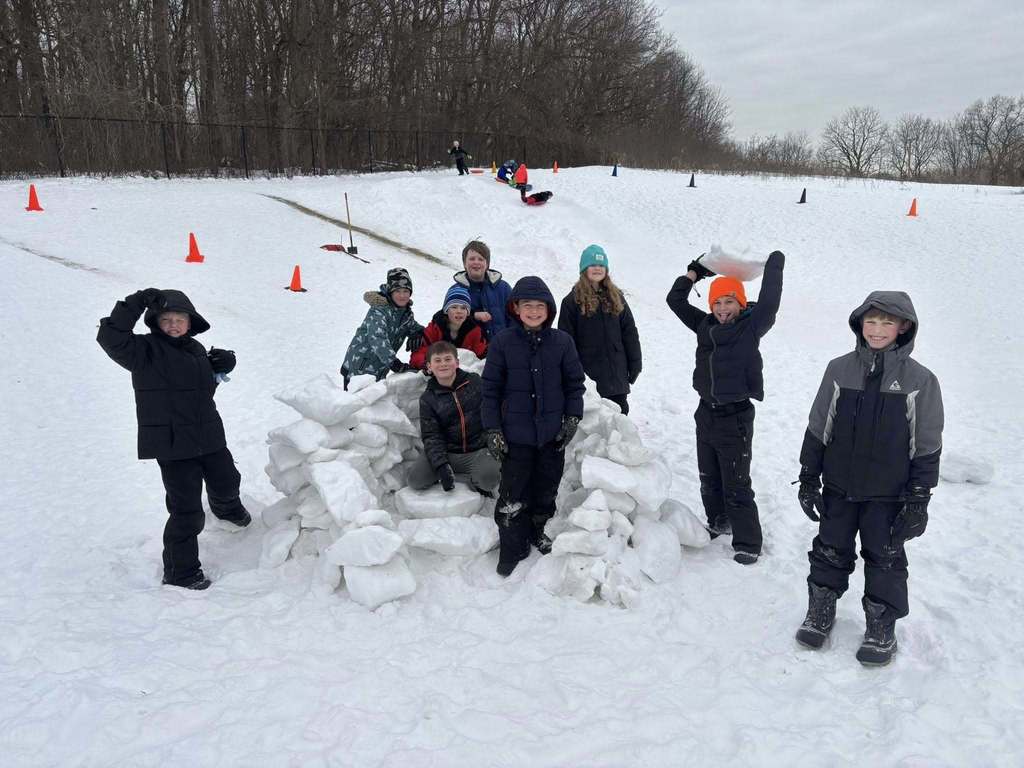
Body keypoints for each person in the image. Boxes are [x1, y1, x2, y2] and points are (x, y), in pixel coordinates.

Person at [794, 292, 943, 666]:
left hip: (888, 495)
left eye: (887, 322)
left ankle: (881, 627)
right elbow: (818, 426)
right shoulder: (839, 370)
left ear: (904, 327)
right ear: (860, 324)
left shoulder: (920, 380)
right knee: (829, 549)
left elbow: (925, 443)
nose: (877, 330)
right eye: (871, 321)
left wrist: (919, 497)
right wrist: (810, 475)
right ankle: (820, 611)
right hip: (840, 488)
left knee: (886, 559)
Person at [97, 288, 250, 591]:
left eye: (180, 319)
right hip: (172, 444)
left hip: (208, 435)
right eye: (166, 319)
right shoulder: (143, 350)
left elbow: (203, 391)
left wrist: (222, 364)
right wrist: (138, 301)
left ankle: (226, 509)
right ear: (155, 323)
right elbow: (110, 336)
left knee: (228, 480)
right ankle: (180, 572)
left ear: (190, 322)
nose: (173, 325)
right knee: (186, 510)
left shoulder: (195, 350)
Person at [666, 250, 785, 565]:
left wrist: (775, 263)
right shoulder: (704, 326)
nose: (722, 309)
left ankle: (748, 541)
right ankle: (719, 520)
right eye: (717, 302)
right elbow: (674, 301)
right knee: (709, 473)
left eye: (729, 302)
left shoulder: (751, 326)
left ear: (741, 303)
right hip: (705, 411)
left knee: (736, 480)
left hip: (735, 417)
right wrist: (693, 273)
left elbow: (771, 301)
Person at [481, 276, 586, 576]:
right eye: (527, 305)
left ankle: (538, 531)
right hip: (516, 437)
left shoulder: (562, 342)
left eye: (540, 306)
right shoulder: (502, 342)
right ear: (516, 308)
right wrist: (493, 430)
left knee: (545, 490)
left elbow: (574, 385)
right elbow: (490, 390)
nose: (534, 311)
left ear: (549, 310)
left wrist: (572, 418)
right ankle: (512, 546)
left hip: (552, 437)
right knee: (513, 494)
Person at [408, 341, 501, 495]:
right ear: (429, 367)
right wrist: (441, 465)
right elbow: (432, 435)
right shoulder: (428, 398)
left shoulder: (474, 382)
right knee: (415, 480)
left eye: (447, 359)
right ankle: (457, 474)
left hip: (476, 451)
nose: (443, 364)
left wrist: (494, 437)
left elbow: (493, 410)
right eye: (437, 360)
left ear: (456, 362)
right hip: (447, 452)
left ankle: (473, 476)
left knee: (488, 480)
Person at [558, 244, 641, 414]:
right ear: (584, 269)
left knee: (619, 420)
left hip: (616, 375)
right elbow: (566, 341)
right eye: (593, 265)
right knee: (594, 426)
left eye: (602, 265)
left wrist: (635, 363)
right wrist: (571, 373)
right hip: (589, 377)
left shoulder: (616, 297)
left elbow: (629, 331)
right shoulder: (571, 301)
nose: (598, 268)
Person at [340, 267, 424, 389]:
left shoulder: (405, 313)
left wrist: (418, 332)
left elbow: (413, 326)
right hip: (358, 369)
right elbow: (378, 339)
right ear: (390, 292)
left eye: (406, 291)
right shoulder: (379, 311)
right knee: (354, 406)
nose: (402, 295)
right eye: (397, 291)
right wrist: (395, 363)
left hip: (379, 370)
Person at [409, 285, 488, 369]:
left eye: (463, 308)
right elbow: (418, 354)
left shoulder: (474, 331)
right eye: (454, 307)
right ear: (446, 310)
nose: (459, 311)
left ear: (468, 312)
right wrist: (425, 364)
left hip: (461, 374)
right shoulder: (435, 328)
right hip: (436, 372)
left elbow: (482, 352)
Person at [452, 240, 513, 340]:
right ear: (464, 263)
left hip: (503, 349)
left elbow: (515, 317)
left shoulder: (503, 288)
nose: (476, 262)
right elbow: (447, 320)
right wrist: (473, 315)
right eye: (472, 259)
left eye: (481, 259)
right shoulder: (456, 290)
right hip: (471, 352)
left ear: (487, 264)